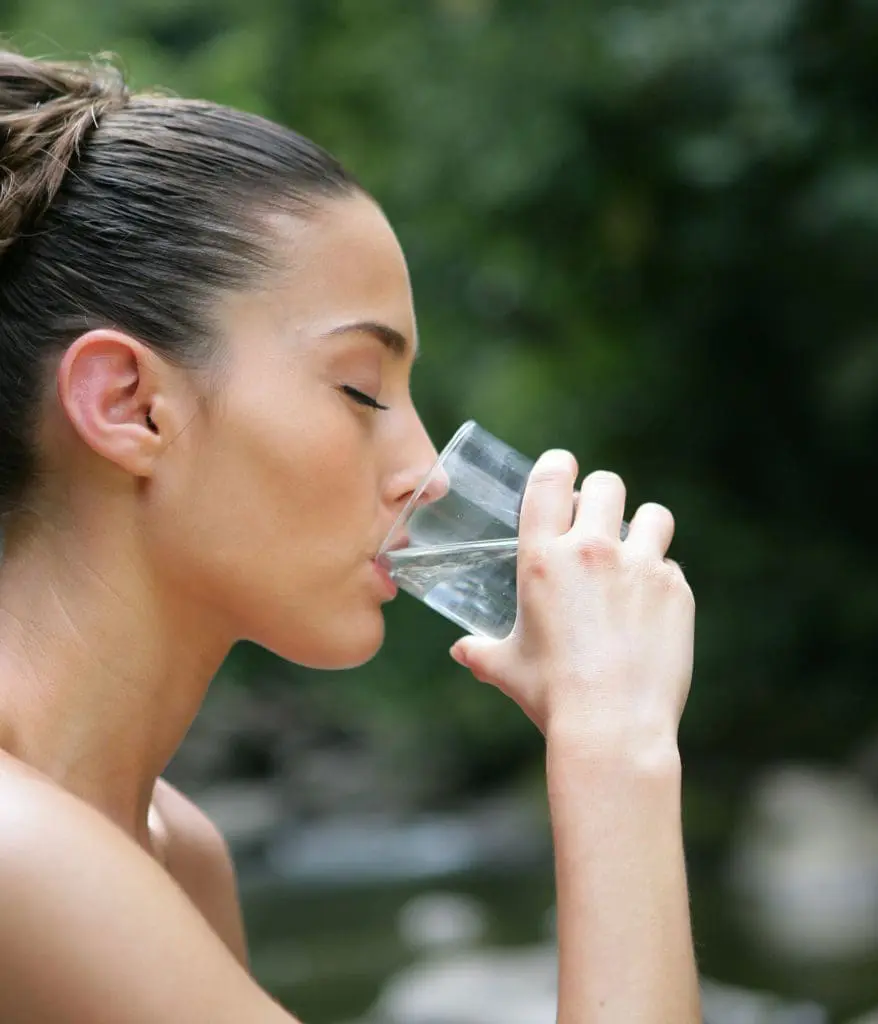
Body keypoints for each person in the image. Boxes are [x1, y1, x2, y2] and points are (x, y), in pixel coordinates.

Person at [0, 46, 701, 1023]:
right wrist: (614, 746)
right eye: (361, 388)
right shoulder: (18, 855)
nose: (429, 471)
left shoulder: (174, 849)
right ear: (130, 405)